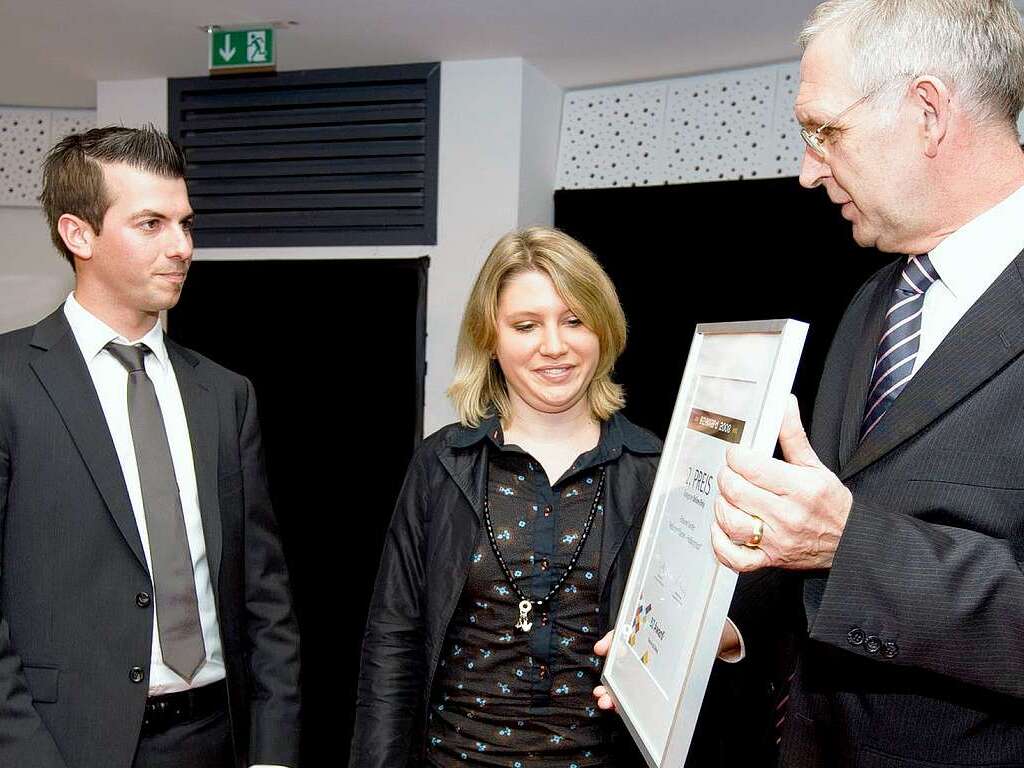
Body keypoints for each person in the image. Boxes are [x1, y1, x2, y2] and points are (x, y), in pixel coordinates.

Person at [708, 1, 1024, 765]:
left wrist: (851, 544)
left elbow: (845, 536)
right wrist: (715, 627)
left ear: (927, 112)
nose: (808, 169)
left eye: (825, 131)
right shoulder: (874, 301)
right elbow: (822, 530)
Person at [0, 126, 301, 768]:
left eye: (185, 224)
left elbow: (264, 595)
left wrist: (273, 751)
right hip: (61, 744)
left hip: (215, 736)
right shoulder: (7, 382)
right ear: (79, 235)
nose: (182, 247)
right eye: (151, 224)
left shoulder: (225, 394)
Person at [349, 227, 667, 767]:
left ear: (604, 330)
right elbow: (392, 643)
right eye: (526, 325)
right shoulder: (441, 464)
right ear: (490, 338)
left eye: (574, 320)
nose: (553, 346)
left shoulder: (654, 469)